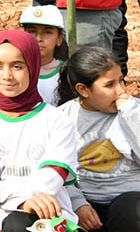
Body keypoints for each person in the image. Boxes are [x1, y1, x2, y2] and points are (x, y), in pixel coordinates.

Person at [0, 30, 78, 232]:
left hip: (50, 215)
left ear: (33, 67)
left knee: (20, 223)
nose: (7, 76)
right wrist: (21, 203)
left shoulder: (58, 120)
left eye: (17, 66)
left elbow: (51, 179)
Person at [57, 46, 140, 232]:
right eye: (109, 85)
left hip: (130, 200)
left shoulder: (133, 109)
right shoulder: (63, 118)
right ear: (83, 90)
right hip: (84, 203)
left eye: (121, 81)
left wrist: (131, 116)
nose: (120, 91)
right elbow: (57, 171)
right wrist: (78, 203)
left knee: (129, 208)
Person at [19, 5, 66, 106]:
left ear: (59, 38)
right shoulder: (11, 70)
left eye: (47, 32)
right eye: (32, 31)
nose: (38, 38)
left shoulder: (66, 74)